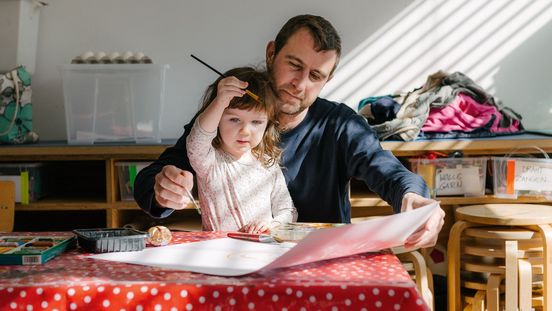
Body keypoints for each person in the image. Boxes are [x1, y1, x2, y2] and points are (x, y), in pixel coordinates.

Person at [134, 14, 445, 249]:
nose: (300, 84)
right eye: (294, 65)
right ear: (272, 53)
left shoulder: (340, 125)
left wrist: (414, 197)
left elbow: (386, 169)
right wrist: (162, 188)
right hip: (237, 263)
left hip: (319, 267)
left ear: (328, 79)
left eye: (316, 75)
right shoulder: (225, 116)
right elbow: (158, 174)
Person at [186, 67, 297, 233]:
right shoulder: (210, 162)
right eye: (234, 119)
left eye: (257, 122)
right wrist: (220, 101)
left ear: (267, 124)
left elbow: (288, 211)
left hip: (261, 252)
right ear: (218, 119)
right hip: (218, 253)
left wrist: (272, 225)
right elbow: (197, 141)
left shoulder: (267, 164)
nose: (245, 131)